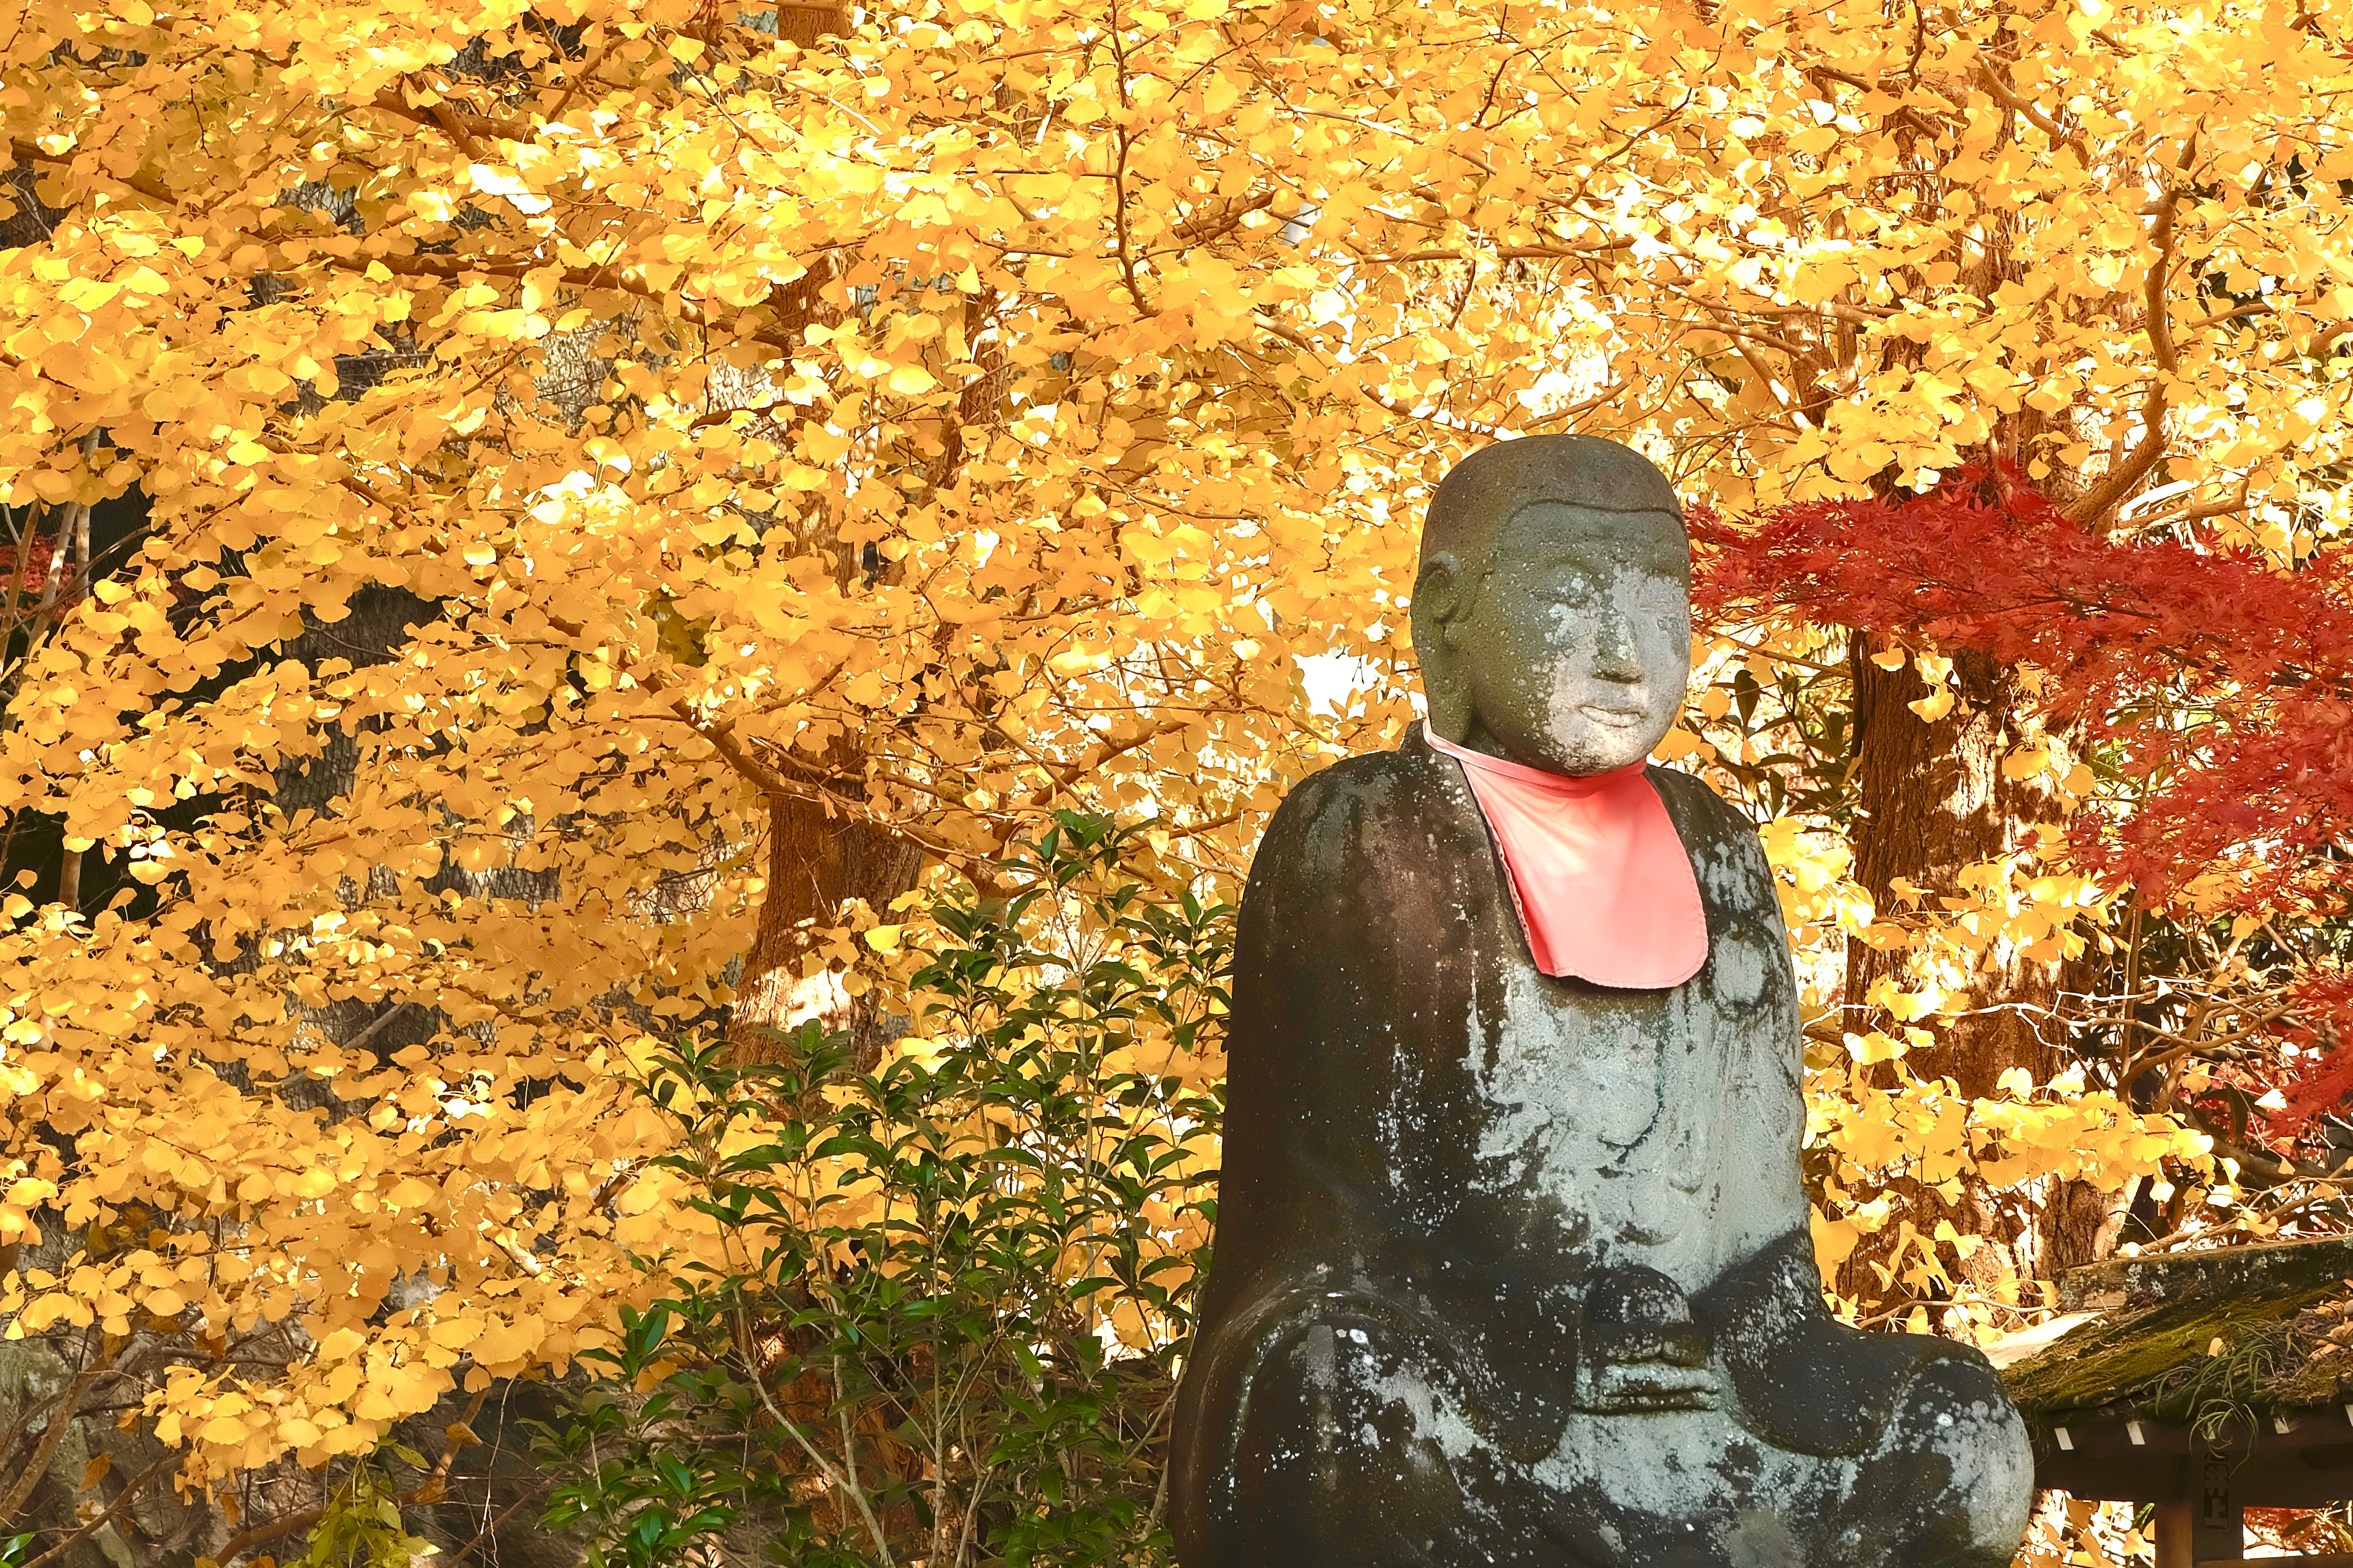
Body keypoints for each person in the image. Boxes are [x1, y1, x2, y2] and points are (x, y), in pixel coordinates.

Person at [1169, 437, 2031, 1568]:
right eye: (1571, 594)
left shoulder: (1716, 846)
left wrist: (1717, 1340)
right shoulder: (1366, 829)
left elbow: (1766, 1232)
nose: (1626, 650)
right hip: (1484, 1386)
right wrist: (1570, 1328)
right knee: (1337, 1389)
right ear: (1446, 620)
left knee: (1964, 1420)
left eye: (1658, 598)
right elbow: (1342, 1235)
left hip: (1719, 1383)